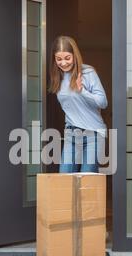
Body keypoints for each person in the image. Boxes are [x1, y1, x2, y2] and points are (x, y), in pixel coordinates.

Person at [49, 36, 108, 173]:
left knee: (87, 183)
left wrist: (82, 91)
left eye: (67, 58)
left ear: (75, 56)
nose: (63, 63)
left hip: (93, 133)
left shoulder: (87, 72)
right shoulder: (58, 76)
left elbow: (103, 102)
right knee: (65, 180)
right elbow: (69, 107)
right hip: (71, 133)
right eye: (59, 59)